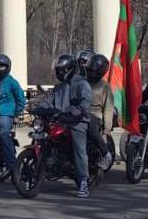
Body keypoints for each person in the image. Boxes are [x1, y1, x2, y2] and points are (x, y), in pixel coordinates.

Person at [48, 54, 94, 197]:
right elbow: (48, 101)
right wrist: (39, 106)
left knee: (79, 148)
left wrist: (79, 109)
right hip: (60, 120)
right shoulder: (58, 87)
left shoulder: (82, 83)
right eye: (58, 70)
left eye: (63, 70)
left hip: (77, 121)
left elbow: (86, 100)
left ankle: (83, 182)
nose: (60, 72)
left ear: (71, 69)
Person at [0, 54, 26, 175]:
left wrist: (16, 114)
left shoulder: (12, 82)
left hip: (6, 114)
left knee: (3, 133)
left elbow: (21, 99)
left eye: (2, 66)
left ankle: (13, 166)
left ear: (8, 67)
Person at [84, 54, 115, 168]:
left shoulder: (105, 86)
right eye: (90, 69)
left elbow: (108, 108)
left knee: (91, 130)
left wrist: (106, 130)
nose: (91, 72)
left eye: (94, 70)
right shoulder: (81, 82)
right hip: (77, 112)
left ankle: (105, 153)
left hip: (94, 114)